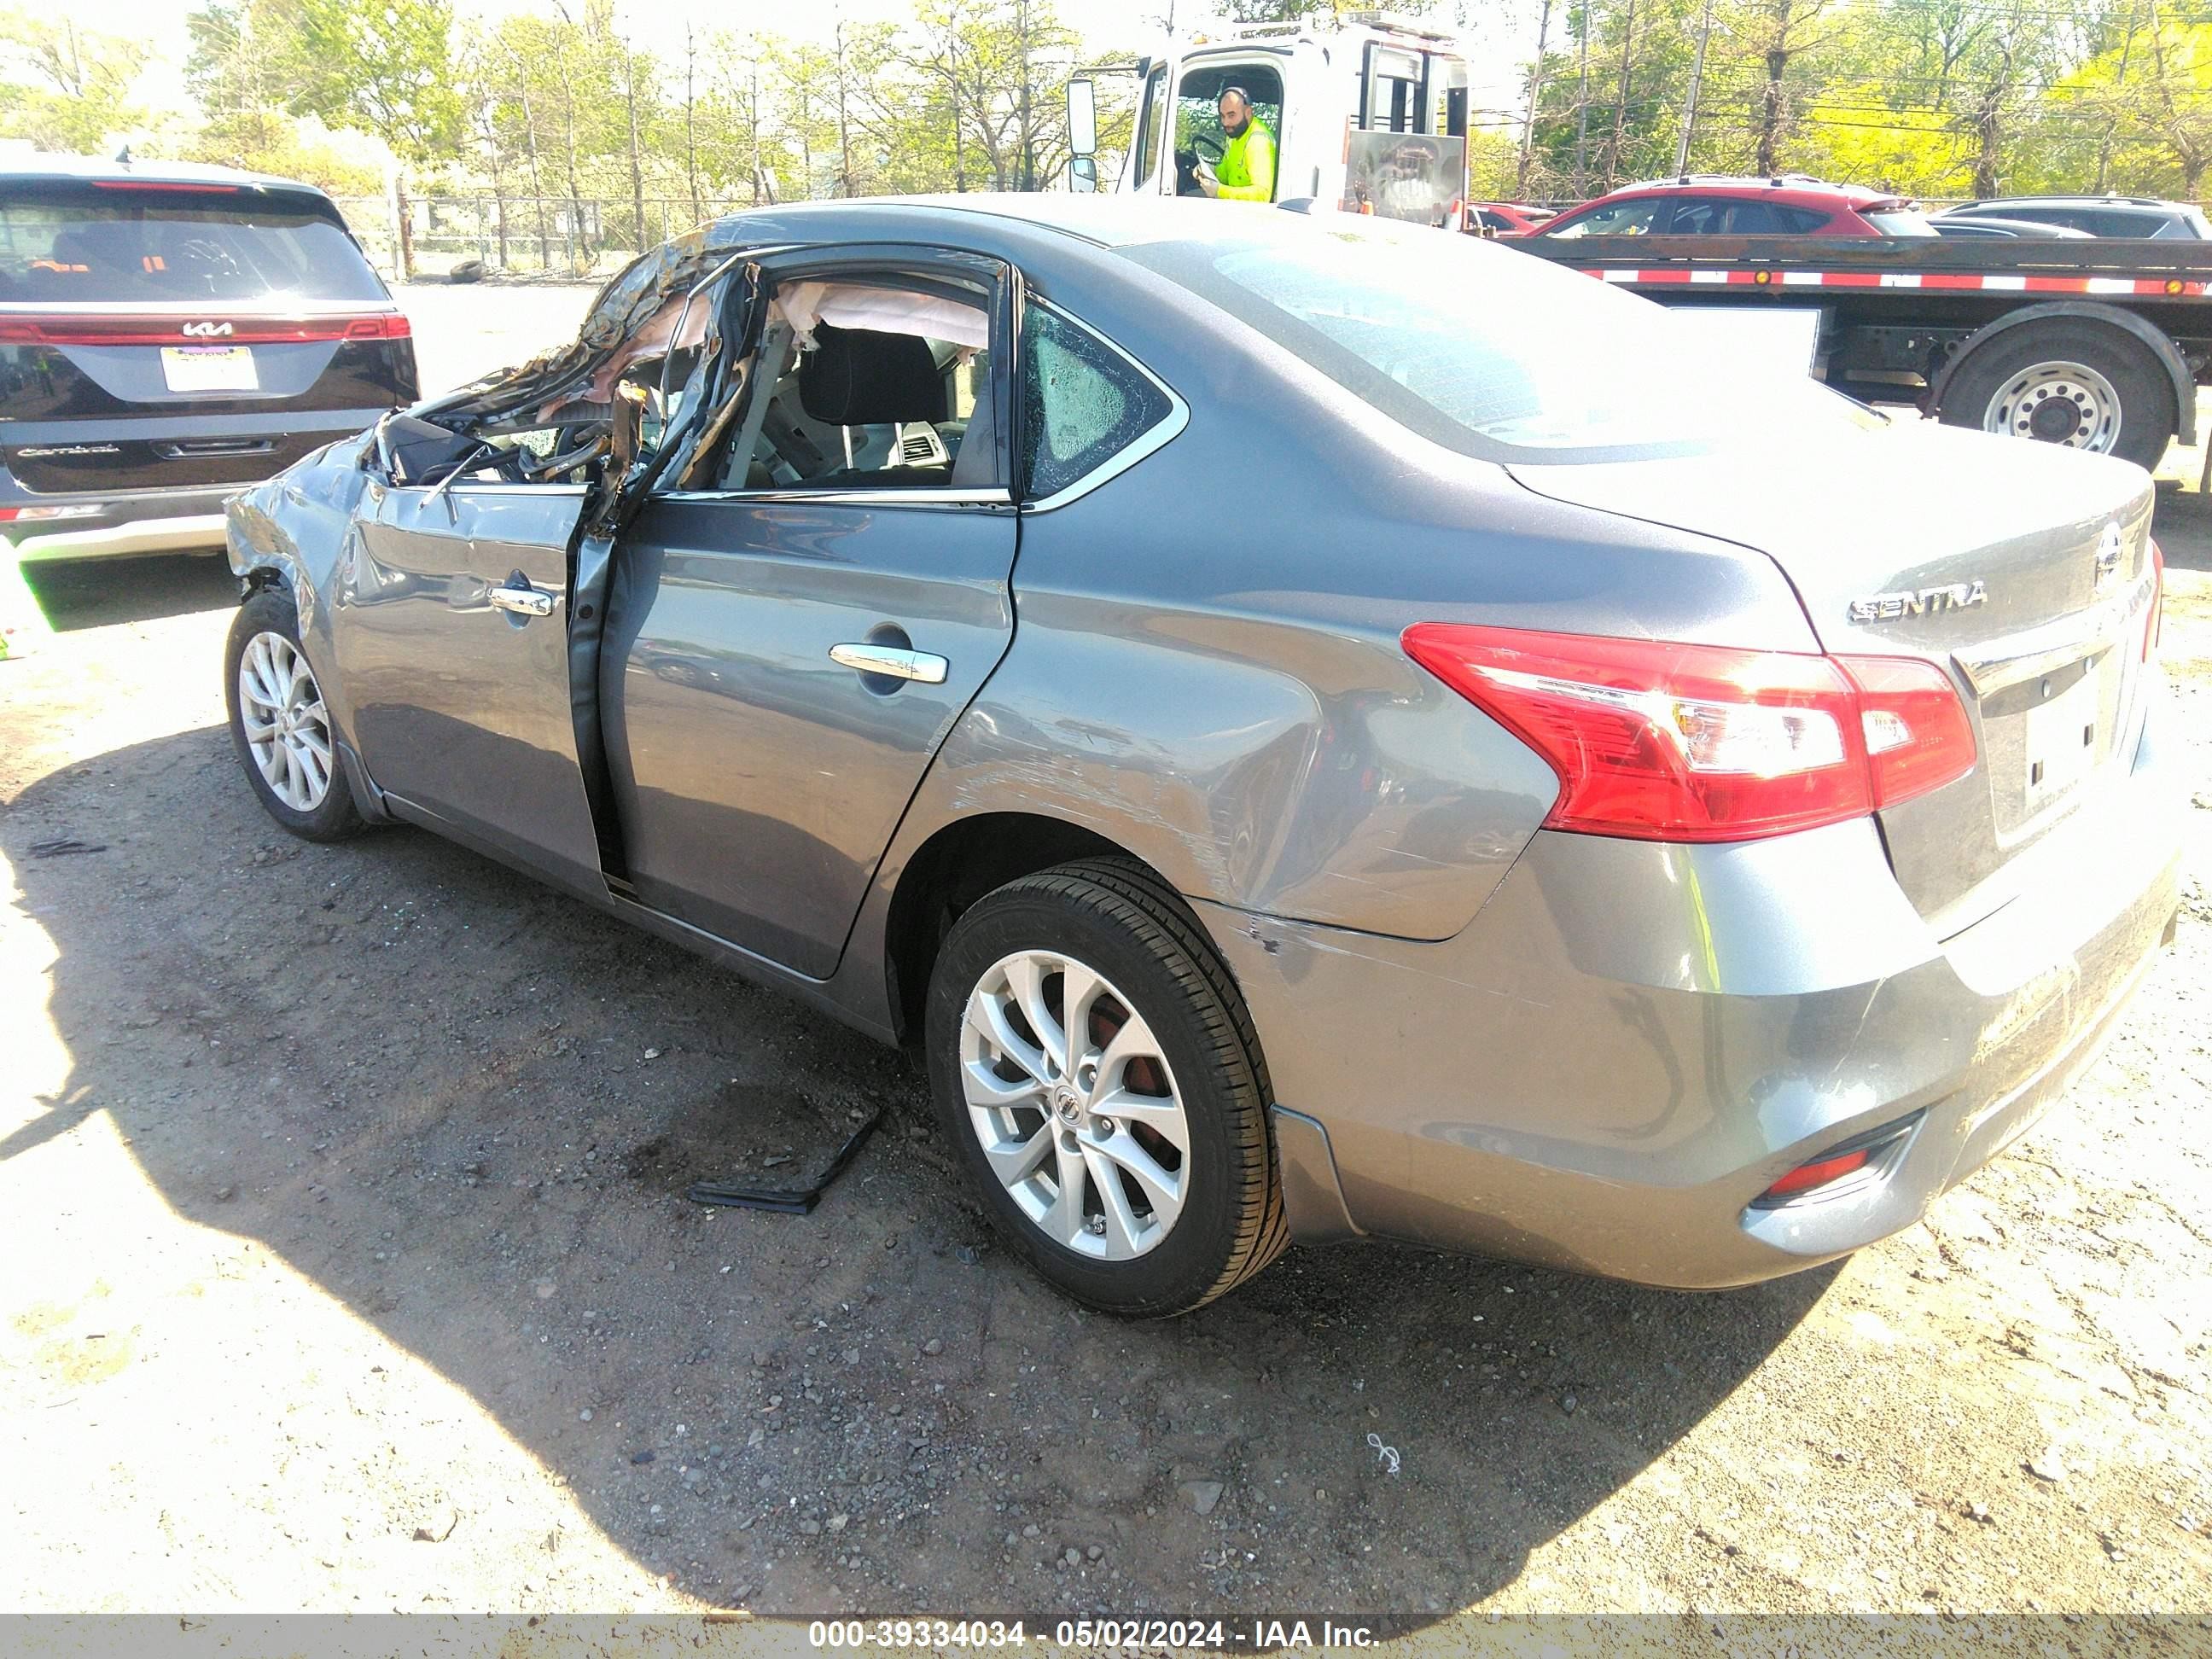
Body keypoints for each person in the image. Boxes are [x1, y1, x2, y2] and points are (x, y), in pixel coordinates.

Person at [1196, 87, 1276, 202]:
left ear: (1248, 112)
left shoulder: (1258, 141)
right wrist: (1209, 170)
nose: (1225, 123)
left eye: (1231, 115)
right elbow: (1226, 174)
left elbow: (1263, 195)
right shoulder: (1235, 134)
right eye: (1222, 116)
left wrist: (1218, 191)